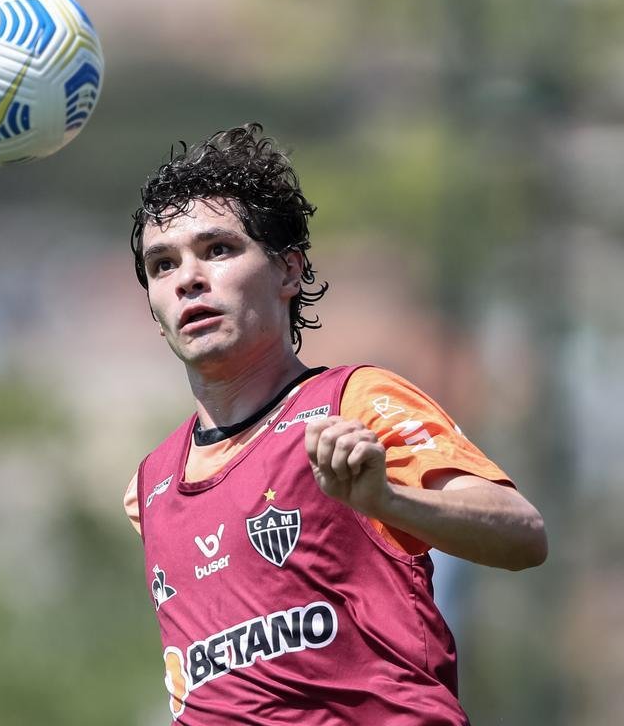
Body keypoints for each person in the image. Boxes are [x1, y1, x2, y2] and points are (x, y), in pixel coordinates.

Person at [123, 123, 547, 724]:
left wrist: (387, 500)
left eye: (218, 250)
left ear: (289, 272)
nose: (188, 277)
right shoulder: (153, 484)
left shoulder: (352, 402)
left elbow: (522, 534)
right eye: (163, 264)